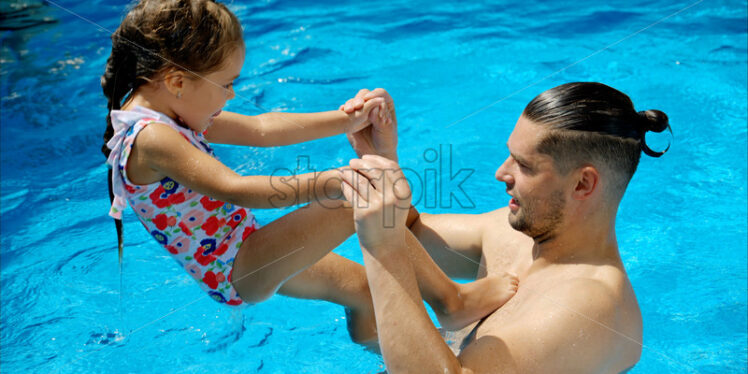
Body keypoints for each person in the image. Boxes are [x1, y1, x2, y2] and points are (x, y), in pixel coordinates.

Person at [101, 0, 516, 344]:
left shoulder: (175, 110)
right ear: (176, 80)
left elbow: (264, 129)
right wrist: (335, 181)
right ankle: (451, 300)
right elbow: (237, 188)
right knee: (362, 194)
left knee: (365, 291)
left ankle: (390, 364)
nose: (231, 95)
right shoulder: (153, 137)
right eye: (226, 83)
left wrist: (346, 120)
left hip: (246, 246)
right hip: (240, 266)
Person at [340, 82, 670, 373]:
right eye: (510, 155)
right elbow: (409, 233)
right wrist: (379, 159)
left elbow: (389, 242)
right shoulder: (512, 232)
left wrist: (381, 243)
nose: (501, 172)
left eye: (524, 165)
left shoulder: (589, 307)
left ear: (583, 184)